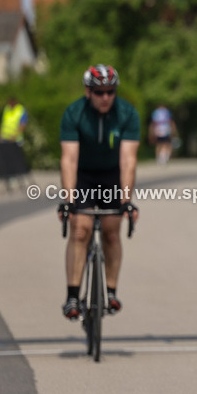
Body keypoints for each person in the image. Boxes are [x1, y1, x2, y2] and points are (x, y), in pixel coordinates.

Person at [58, 65, 140, 319]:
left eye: (110, 92)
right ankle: (72, 295)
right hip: (83, 175)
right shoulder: (74, 113)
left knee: (111, 232)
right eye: (99, 92)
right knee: (80, 229)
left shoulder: (126, 113)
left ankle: (111, 291)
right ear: (88, 91)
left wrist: (126, 201)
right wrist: (69, 201)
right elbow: (68, 159)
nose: (105, 97)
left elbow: (128, 160)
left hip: (111, 175)